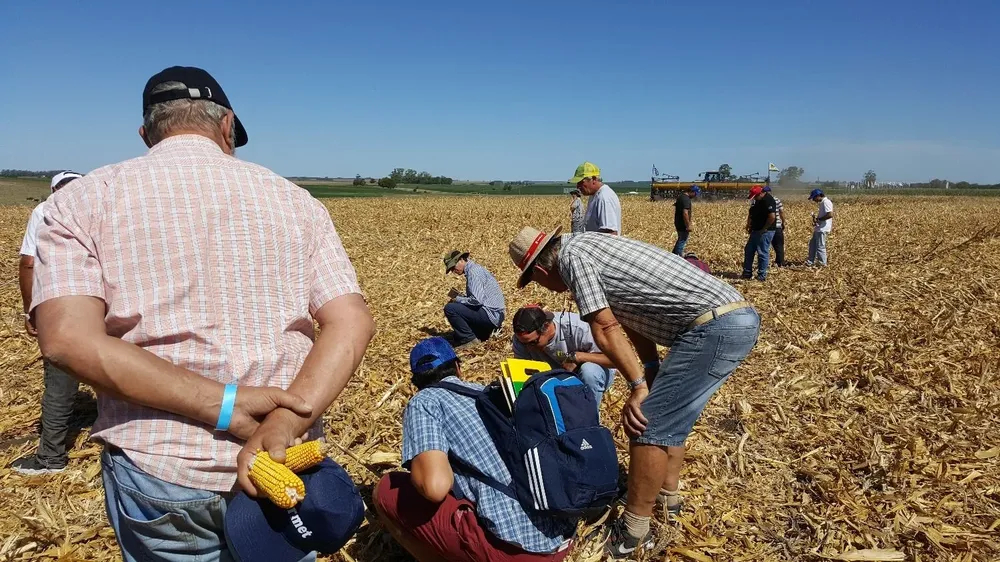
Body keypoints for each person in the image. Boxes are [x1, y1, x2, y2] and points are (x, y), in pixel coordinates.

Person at [31, 66, 375, 562]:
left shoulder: (82, 201)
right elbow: (351, 320)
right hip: (282, 466)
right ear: (227, 126)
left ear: (147, 132)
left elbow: (65, 339)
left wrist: (224, 406)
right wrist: (283, 423)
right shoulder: (296, 202)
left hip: (160, 469)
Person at [508, 227, 759, 559]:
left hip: (712, 326)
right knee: (670, 420)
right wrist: (651, 371)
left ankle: (632, 533)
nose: (544, 287)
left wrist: (638, 386)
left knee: (646, 424)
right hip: (730, 319)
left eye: (536, 281)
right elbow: (632, 319)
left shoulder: (572, 258)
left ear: (540, 270)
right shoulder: (588, 247)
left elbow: (605, 327)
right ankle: (668, 502)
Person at [374, 337, 576, 562]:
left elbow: (435, 487)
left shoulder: (425, 402)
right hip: (564, 535)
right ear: (458, 368)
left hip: (518, 553)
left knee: (385, 490)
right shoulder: (491, 393)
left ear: (416, 383)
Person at [11, 171, 84, 475]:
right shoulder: (103, 203)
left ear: (54, 189)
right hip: (107, 304)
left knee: (60, 379)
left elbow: (28, 263)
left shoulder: (47, 209)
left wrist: (31, 311)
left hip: (63, 307)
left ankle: (51, 458)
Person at [511, 305, 616, 406]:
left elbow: (614, 359)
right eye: (524, 344)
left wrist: (576, 357)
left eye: (533, 342)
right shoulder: (521, 340)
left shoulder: (577, 328)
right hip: (556, 378)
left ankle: (588, 417)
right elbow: (521, 373)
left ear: (546, 327)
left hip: (595, 373)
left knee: (589, 371)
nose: (528, 348)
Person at [443, 250, 506, 349]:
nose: (453, 271)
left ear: (461, 260)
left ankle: (469, 340)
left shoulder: (473, 272)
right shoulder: (475, 269)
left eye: (453, 267)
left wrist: (458, 299)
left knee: (450, 308)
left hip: (490, 316)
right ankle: (480, 334)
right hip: (495, 317)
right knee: (456, 336)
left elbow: (477, 301)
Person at [570, 162, 621, 235]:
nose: (577, 186)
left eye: (581, 182)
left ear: (593, 179)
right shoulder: (594, 195)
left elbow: (610, 233)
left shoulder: (604, 198)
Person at [742, 185, 777, 281]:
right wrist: (749, 225)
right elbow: (752, 213)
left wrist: (764, 229)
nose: (755, 198)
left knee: (762, 252)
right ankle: (747, 272)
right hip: (756, 229)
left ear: (761, 193)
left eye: (756, 196)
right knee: (749, 250)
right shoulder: (757, 200)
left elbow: (772, 217)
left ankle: (761, 275)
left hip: (765, 231)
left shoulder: (768, 200)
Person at [806, 189, 834, 266]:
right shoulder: (822, 203)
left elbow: (830, 214)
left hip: (823, 229)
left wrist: (819, 219)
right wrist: (817, 220)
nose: (814, 200)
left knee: (820, 246)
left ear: (818, 196)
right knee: (812, 245)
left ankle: (822, 263)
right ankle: (810, 262)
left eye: (814, 198)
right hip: (819, 228)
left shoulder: (826, 202)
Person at [763, 186, 788, 267]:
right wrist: (783, 222)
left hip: (767, 227)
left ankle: (765, 263)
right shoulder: (776, 199)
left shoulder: (761, 200)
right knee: (779, 245)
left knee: (765, 246)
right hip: (777, 226)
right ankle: (780, 262)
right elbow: (781, 212)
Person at [672, 185, 700, 255]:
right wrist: (688, 226)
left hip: (678, 222)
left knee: (680, 240)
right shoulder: (686, 199)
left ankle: (673, 255)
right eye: (695, 193)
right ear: (692, 191)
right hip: (683, 224)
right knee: (682, 241)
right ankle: (678, 258)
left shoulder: (681, 197)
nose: (695, 196)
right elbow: (685, 213)